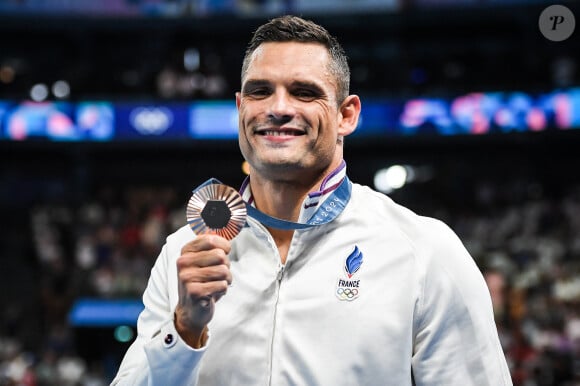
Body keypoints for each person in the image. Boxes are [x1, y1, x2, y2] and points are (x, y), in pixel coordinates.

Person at [111, 15, 512, 385]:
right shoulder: (185, 253)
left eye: (304, 93)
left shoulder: (424, 252)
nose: (279, 108)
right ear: (240, 108)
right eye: (260, 91)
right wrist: (183, 329)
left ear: (346, 116)